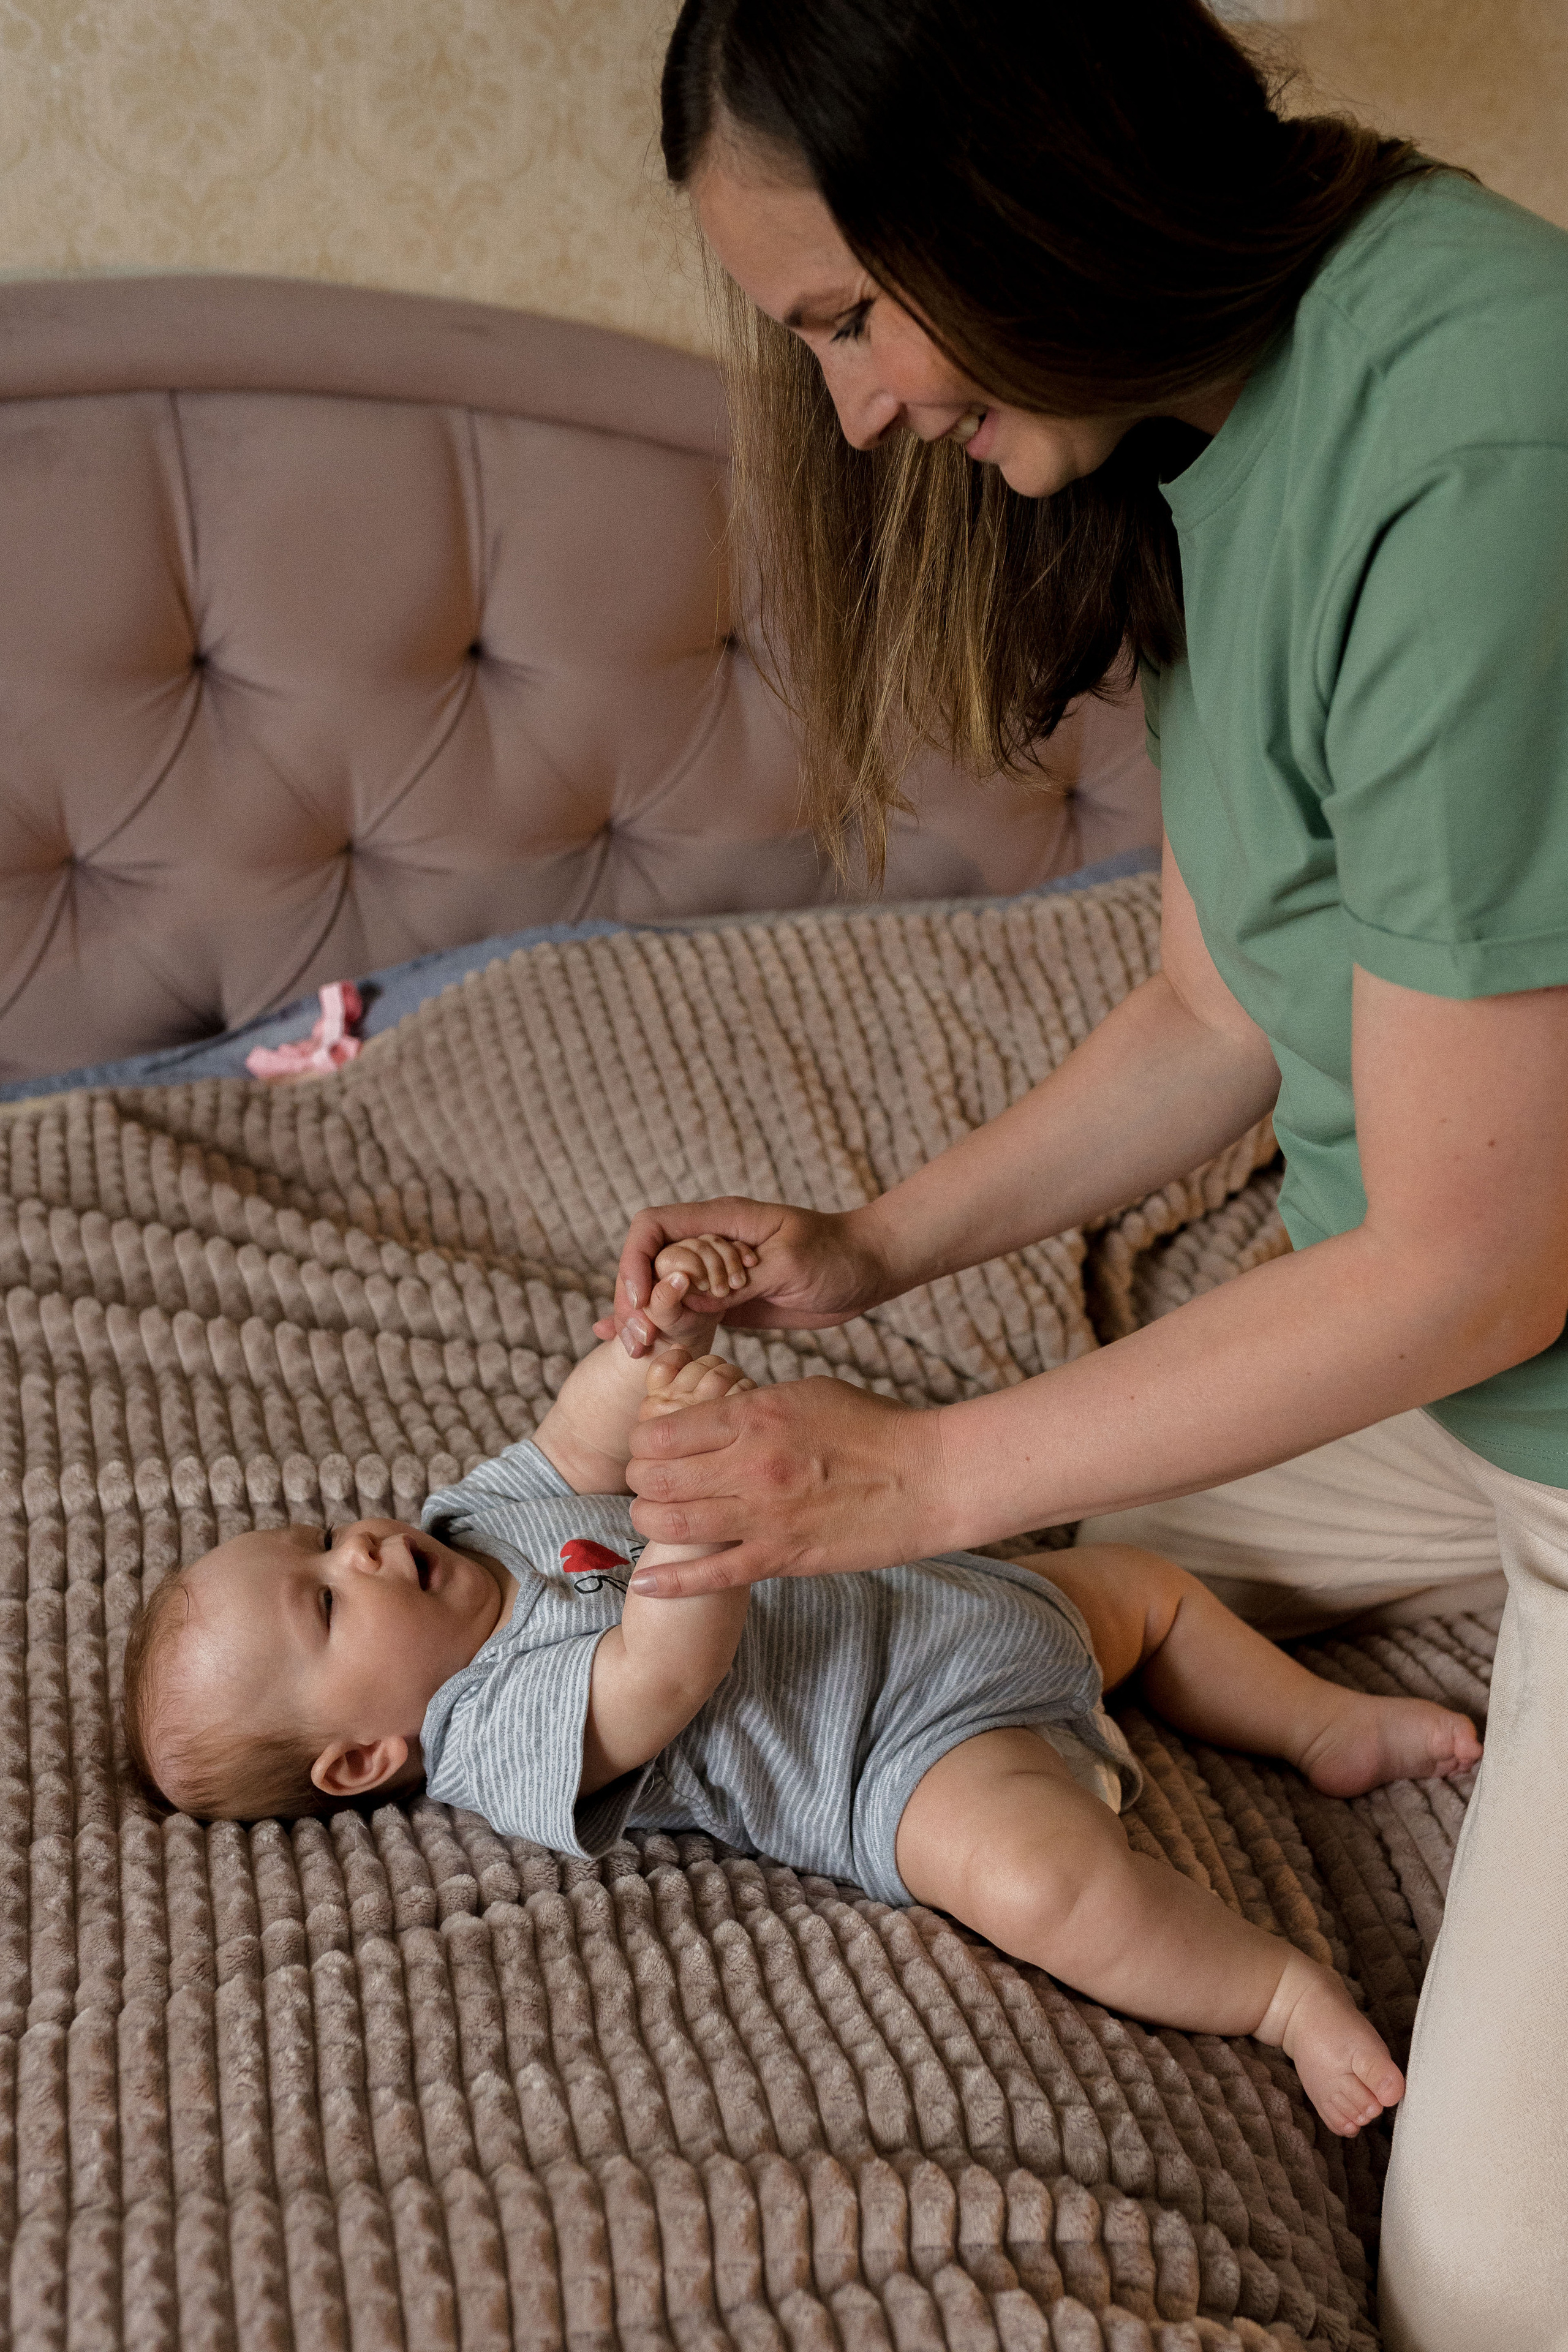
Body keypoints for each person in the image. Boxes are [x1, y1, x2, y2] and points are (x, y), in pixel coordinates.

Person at [592, 7, 1568, 2348]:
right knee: (930, 1622)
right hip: (1455, 1374)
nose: (853, 412)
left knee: (1489, 2279)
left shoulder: (1483, 436)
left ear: (1025, 180)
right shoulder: (1213, 423)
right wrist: (872, 1249)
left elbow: (1475, 1255)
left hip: (1501, 1346)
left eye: (845, 318)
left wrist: (915, 1471)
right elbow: (1219, 1009)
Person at [121, 1237, 1482, 2141]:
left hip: (939, 1596)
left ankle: (1322, 1724)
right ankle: (1274, 1997)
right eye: (321, 1601)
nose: (354, 1548)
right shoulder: (489, 1733)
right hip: (900, 1756)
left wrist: (650, 1354)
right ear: (361, 1759)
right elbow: (664, 1672)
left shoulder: (475, 1521)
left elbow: (573, 1434)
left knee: (1145, 1587)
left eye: (315, 1539)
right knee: (1036, 1888)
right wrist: (692, 1517)